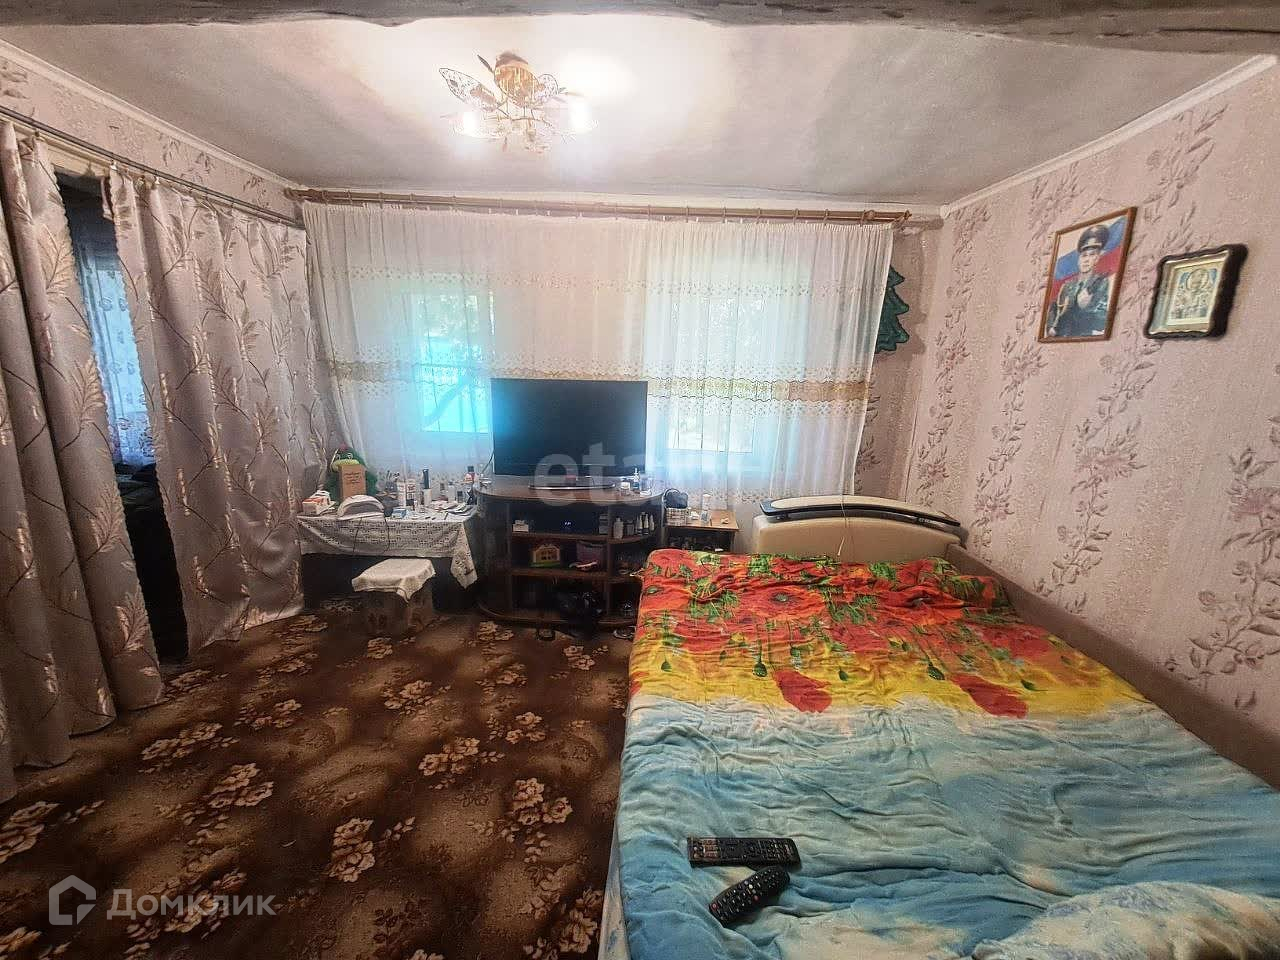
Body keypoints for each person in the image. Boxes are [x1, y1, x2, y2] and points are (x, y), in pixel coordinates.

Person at [1046, 223, 1112, 338]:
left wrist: (1083, 309)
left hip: (1082, 338)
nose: (1086, 260)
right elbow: (1054, 307)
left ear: (1097, 259)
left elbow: (1102, 320)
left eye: (1091, 255)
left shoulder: (1101, 283)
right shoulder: (1068, 285)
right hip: (1060, 336)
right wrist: (1050, 327)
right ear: (1078, 259)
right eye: (1084, 255)